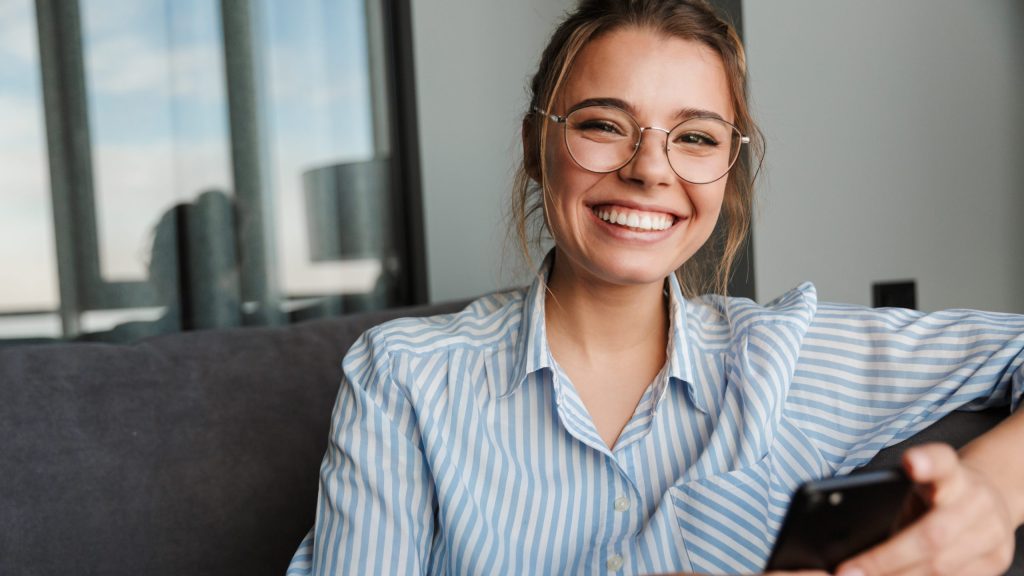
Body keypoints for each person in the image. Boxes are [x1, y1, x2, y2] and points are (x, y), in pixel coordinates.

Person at [287, 1, 1024, 574]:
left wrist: (988, 490)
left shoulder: (786, 357)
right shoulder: (404, 377)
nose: (650, 168)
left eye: (696, 136)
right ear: (536, 148)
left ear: (728, 170)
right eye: (605, 124)